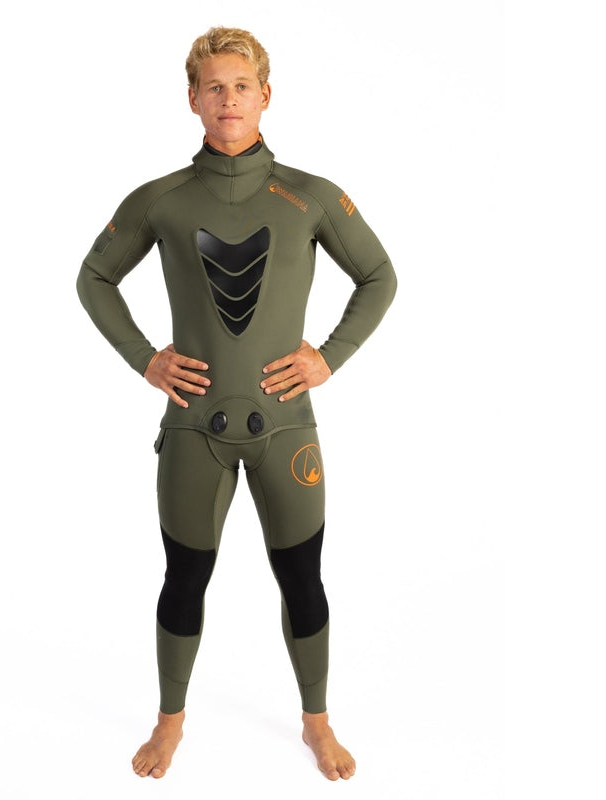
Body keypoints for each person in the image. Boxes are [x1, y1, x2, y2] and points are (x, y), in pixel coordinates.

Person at [76, 26, 396, 781]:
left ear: (266, 96)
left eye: (241, 86)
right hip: (195, 426)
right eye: (214, 87)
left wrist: (328, 357)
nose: (228, 99)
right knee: (184, 578)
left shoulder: (311, 196)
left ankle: (316, 723)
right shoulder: (161, 200)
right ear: (192, 98)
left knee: (303, 579)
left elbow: (379, 275)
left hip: (286, 426)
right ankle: (169, 723)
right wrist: (146, 359)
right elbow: (94, 277)